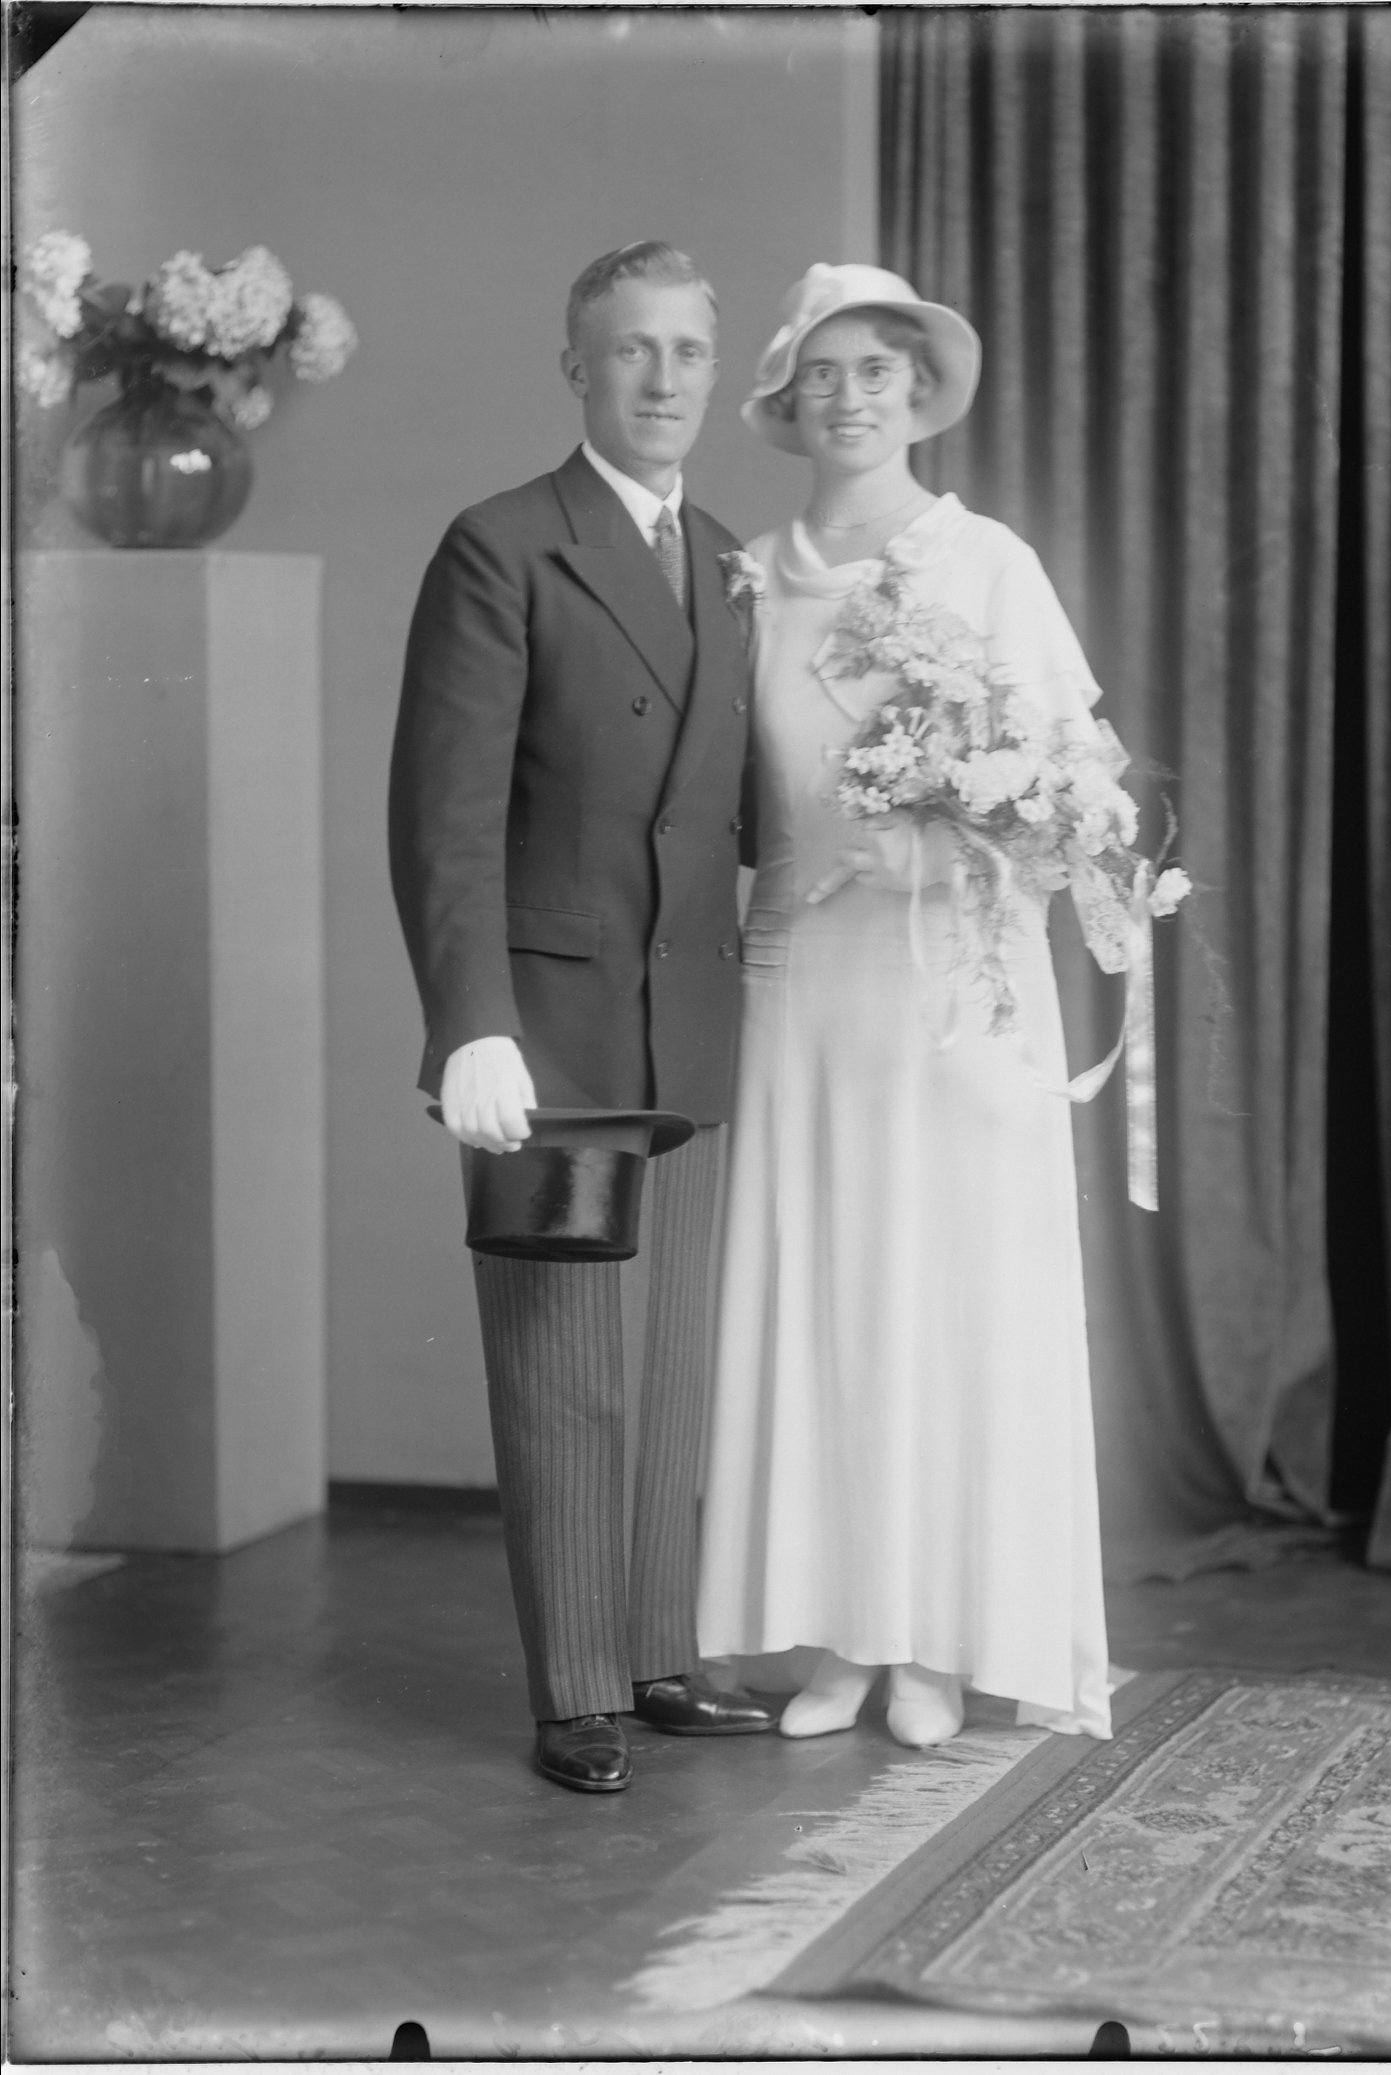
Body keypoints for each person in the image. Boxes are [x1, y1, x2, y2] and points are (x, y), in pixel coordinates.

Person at [696, 263, 1114, 1749]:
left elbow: (1077, 800)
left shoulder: (986, 563)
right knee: (827, 1297)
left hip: (953, 985)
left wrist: (921, 850)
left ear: (922, 392)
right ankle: (842, 1637)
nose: (850, 395)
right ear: (785, 397)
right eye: (821, 371)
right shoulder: (747, 576)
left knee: (947, 1296)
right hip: (805, 982)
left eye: (877, 368)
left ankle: (939, 1640)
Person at [389, 242, 777, 1795]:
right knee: (567, 1369)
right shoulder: (502, 547)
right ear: (577, 368)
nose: (664, 378)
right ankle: (576, 1690)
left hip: (692, 1012)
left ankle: (658, 1655)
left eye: (687, 350)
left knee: (672, 1366)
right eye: (632, 349)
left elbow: (750, 810)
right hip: (546, 1025)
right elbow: (442, 817)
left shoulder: (731, 560)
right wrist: (466, 1023)